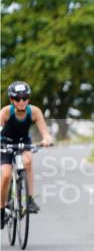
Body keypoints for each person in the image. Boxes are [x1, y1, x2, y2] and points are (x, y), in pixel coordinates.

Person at [1, 81, 53, 227]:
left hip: (24, 142)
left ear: (28, 99)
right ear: (12, 100)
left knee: (28, 161)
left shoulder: (34, 111)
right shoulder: (5, 112)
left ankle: (29, 200)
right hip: (5, 143)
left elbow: (45, 133)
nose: (21, 101)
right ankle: (1, 209)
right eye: (17, 99)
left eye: (25, 98)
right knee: (5, 174)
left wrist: (47, 140)